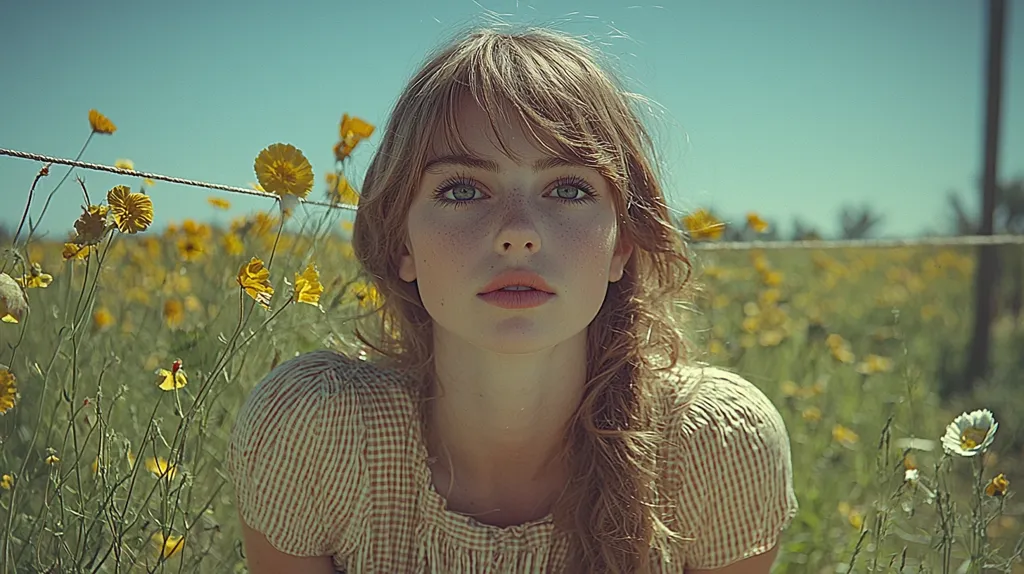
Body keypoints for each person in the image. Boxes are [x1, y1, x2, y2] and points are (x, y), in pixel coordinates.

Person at [227, 25, 799, 574]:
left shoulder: (718, 449)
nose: (518, 232)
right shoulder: (312, 432)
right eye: (463, 189)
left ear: (622, 244)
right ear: (402, 242)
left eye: (569, 188)